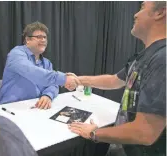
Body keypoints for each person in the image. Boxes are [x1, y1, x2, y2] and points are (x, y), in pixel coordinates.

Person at [68, 1, 166, 156]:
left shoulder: (162, 59)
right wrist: (78, 80)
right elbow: (115, 80)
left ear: (160, 12)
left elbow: (145, 132)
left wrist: (95, 133)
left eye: (142, 7)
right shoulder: (145, 57)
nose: (135, 14)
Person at [0, 22, 79, 109]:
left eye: (45, 37)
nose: (43, 40)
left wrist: (47, 95)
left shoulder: (47, 63)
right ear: (28, 40)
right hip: (11, 108)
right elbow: (33, 72)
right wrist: (64, 78)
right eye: (39, 37)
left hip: (35, 108)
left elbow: (53, 85)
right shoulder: (16, 54)